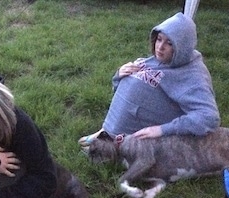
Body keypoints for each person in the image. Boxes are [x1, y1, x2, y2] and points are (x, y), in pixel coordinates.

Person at [78, 12, 220, 148]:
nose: (160, 47)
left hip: (142, 142)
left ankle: (111, 142)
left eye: (169, 43)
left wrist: (161, 130)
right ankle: (106, 133)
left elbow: (209, 117)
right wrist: (119, 75)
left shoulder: (192, 76)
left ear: (182, 47)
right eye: (159, 39)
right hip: (115, 129)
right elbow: (121, 90)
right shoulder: (157, 61)